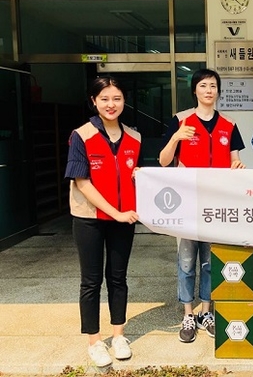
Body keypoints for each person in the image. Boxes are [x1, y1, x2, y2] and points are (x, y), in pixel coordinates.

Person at [159, 68, 245, 343]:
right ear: (195, 90)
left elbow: (235, 159)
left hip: (216, 204)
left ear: (218, 91)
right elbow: (163, 161)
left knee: (209, 262)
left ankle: (206, 312)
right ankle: (188, 314)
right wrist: (176, 137)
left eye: (213, 86)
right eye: (203, 85)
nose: (209, 90)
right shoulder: (180, 120)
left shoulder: (229, 124)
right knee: (186, 262)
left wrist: (237, 165)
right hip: (187, 204)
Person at [65, 76, 141, 367]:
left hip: (124, 218)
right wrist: (115, 212)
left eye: (117, 98)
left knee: (118, 278)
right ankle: (95, 341)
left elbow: (133, 174)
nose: (111, 104)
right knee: (91, 280)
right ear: (94, 101)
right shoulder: (81, 135)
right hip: (89, 219)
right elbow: (82, 182)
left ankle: (118, 335)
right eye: (105, 99)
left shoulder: (134, 137)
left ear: (124, 101)